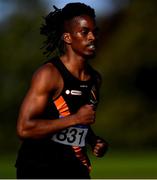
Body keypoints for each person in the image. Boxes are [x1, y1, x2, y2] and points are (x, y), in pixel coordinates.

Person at [15, 2, 108, 179]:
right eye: (84, 32)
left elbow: (76, 123)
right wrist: (76, 119)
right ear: (67, 38)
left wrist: (93, 141)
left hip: (75, 167)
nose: (92, 37)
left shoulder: (95, 79)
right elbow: (24, 128)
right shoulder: (49, 74)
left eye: (94, 31)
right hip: (39, 167)